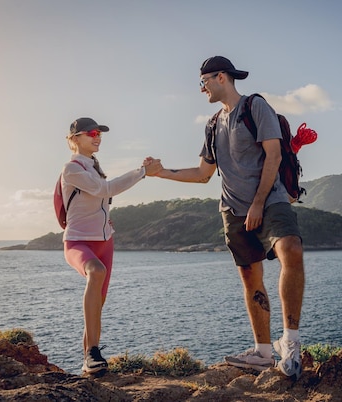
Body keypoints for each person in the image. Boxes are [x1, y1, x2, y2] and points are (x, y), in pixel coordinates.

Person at [155, 56, 305, 380]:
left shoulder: (254, 107)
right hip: (232, 210)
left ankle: (290, 344)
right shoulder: (212, 124)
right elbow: (202, 173)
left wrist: (258, 203)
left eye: (204, 82)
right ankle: (264, 352)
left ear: (221, 77)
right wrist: (160, 173)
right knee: (251, 278)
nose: (201, 89)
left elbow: (274, 154)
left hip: (270, 200)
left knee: (291, 249)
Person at [61, 117, 161, 375]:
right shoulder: (72, 169)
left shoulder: (94, 166)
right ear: (74, 139)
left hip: (105, 242)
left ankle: (88, 363)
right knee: (95, 272)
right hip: (78, 241)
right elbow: (104, 189)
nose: (97, 137)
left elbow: (100, 196)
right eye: (91, 133)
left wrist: (103, 218)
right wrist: (142, 172)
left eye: (100, 134)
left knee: (97, 306)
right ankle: (94, 353)